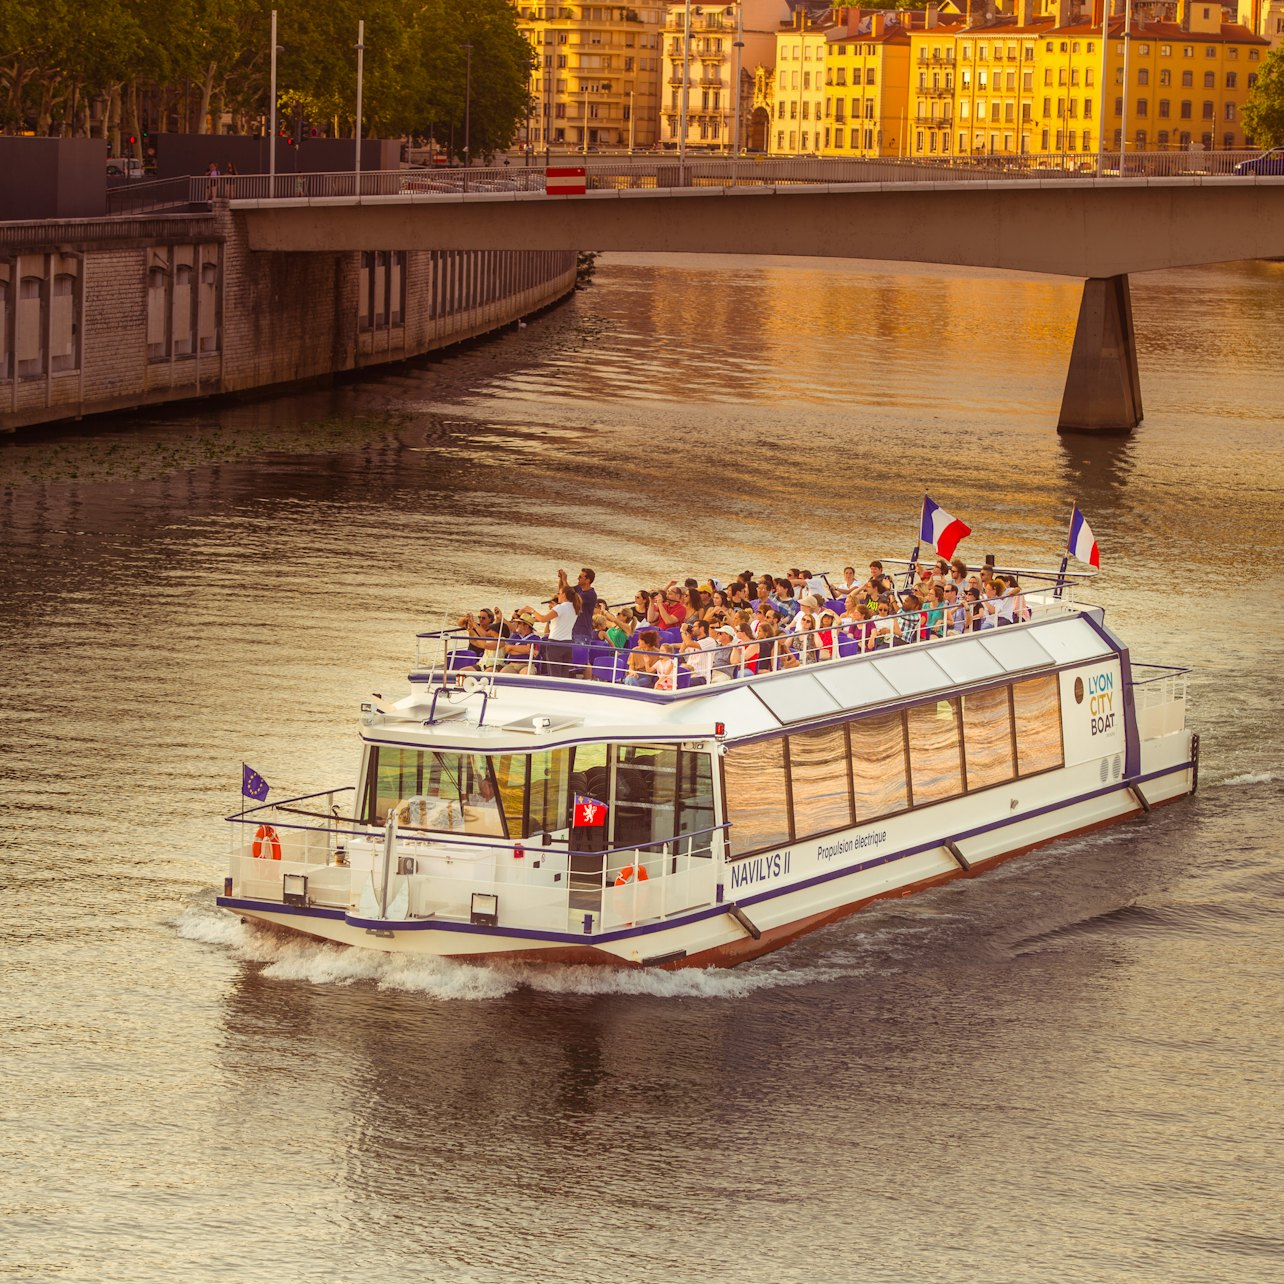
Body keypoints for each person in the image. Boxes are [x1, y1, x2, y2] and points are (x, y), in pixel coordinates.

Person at [521, 583, 580, 676]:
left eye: (559, 593)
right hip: (568, 644)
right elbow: (546, 619)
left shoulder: (560, 608)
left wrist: (532, 610)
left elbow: (543, 619)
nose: (558, 595)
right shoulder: (575, 608)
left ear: (564, 594)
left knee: (554, 674)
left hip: (555, 643)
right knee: (564, 675)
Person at [559, 567, 597, 644]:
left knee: (580, 655)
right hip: (572, 630)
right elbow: (563, 592)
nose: (578, 578)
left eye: (580, 577)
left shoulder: (590, 594)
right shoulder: (578, 588)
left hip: (582, 632)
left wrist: (564, 580)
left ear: (588, 580)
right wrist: (561, 579)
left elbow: (571, 596)